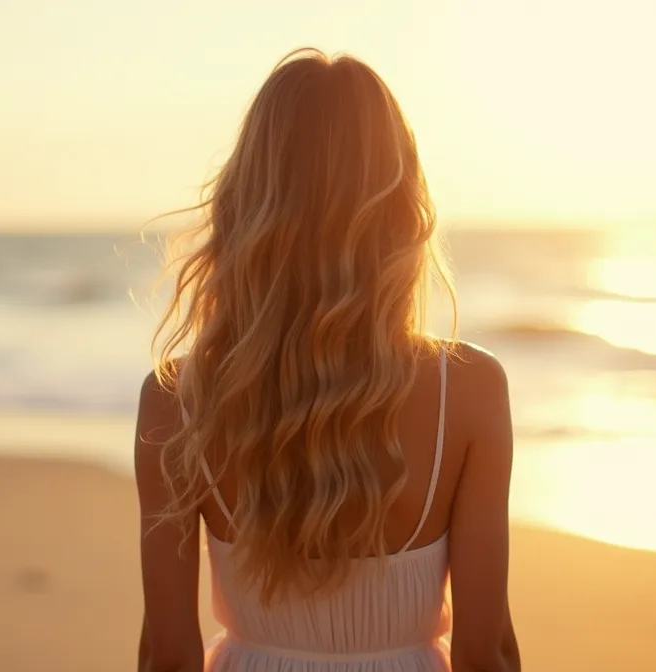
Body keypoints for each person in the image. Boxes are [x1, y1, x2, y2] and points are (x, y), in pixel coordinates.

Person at [134, 48, 520, 672]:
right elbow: (487, 651)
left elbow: (167, 653)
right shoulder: (469, 393)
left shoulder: (176, 400)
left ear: (246, 198)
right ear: (403, 205)